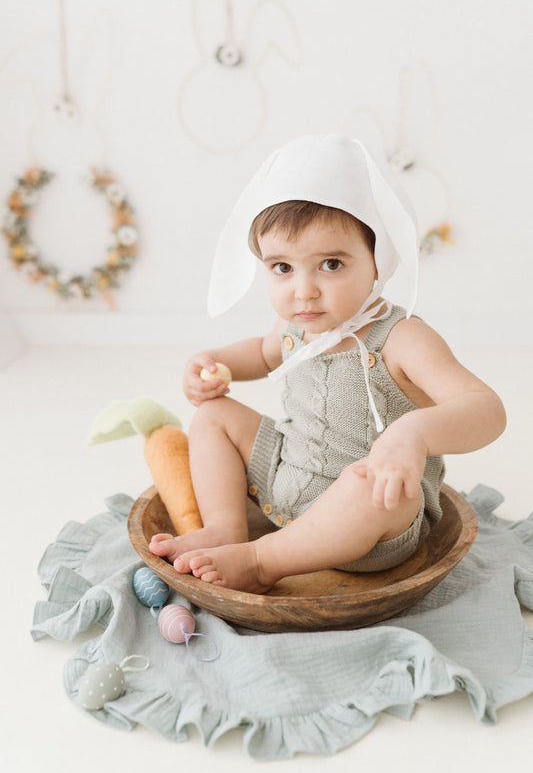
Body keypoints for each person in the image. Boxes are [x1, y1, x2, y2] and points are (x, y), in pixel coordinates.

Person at [149, 135, 506, 593]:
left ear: (378, 260)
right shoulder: (296, 325)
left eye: (331, 264)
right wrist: (216, 363)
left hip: (367, 525)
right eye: (282, 268)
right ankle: (225, 528)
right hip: (285, 481)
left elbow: (487, 409)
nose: (304, 291)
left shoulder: (400, 339)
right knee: (214, 415)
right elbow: (261, 353)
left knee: (374, 489)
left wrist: (412, 435)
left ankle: (261, 560)